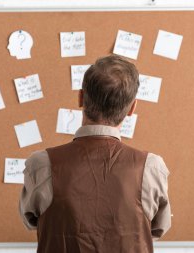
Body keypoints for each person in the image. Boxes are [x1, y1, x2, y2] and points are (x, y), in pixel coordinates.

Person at [19, 55, 171, 253]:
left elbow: (30, 221)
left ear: (81, 97)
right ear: (132, 108)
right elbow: (158, 228)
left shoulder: (40, 164)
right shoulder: (151, 167)